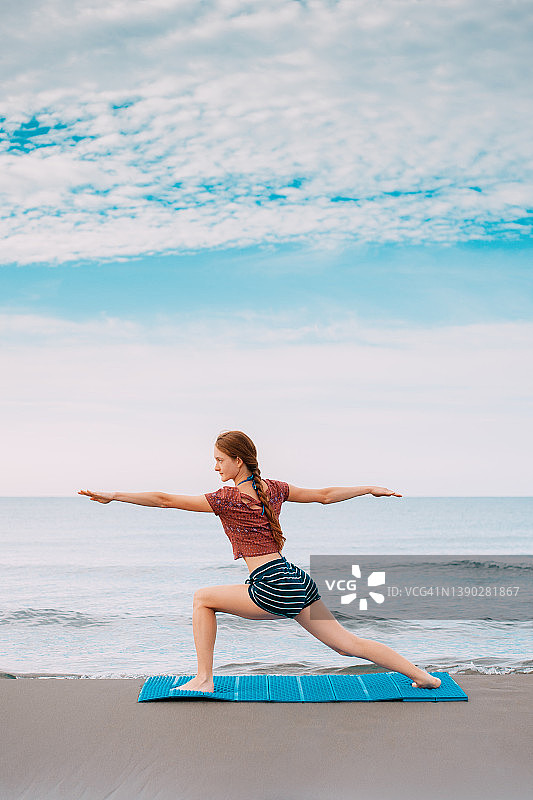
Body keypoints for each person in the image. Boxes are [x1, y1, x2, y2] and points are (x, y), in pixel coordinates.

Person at [79, 429, 441, 694]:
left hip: (271, 584)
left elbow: (163, 499)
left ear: (238, 460)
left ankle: (204, 678)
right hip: (294, 579)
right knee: (345, 643)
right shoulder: (275, 489)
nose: (215, 466)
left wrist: (114, 495)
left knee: (203, 599)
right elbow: (325, 496)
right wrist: (368, 487)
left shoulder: (226, 499)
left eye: (220, 460)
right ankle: (422, 676)